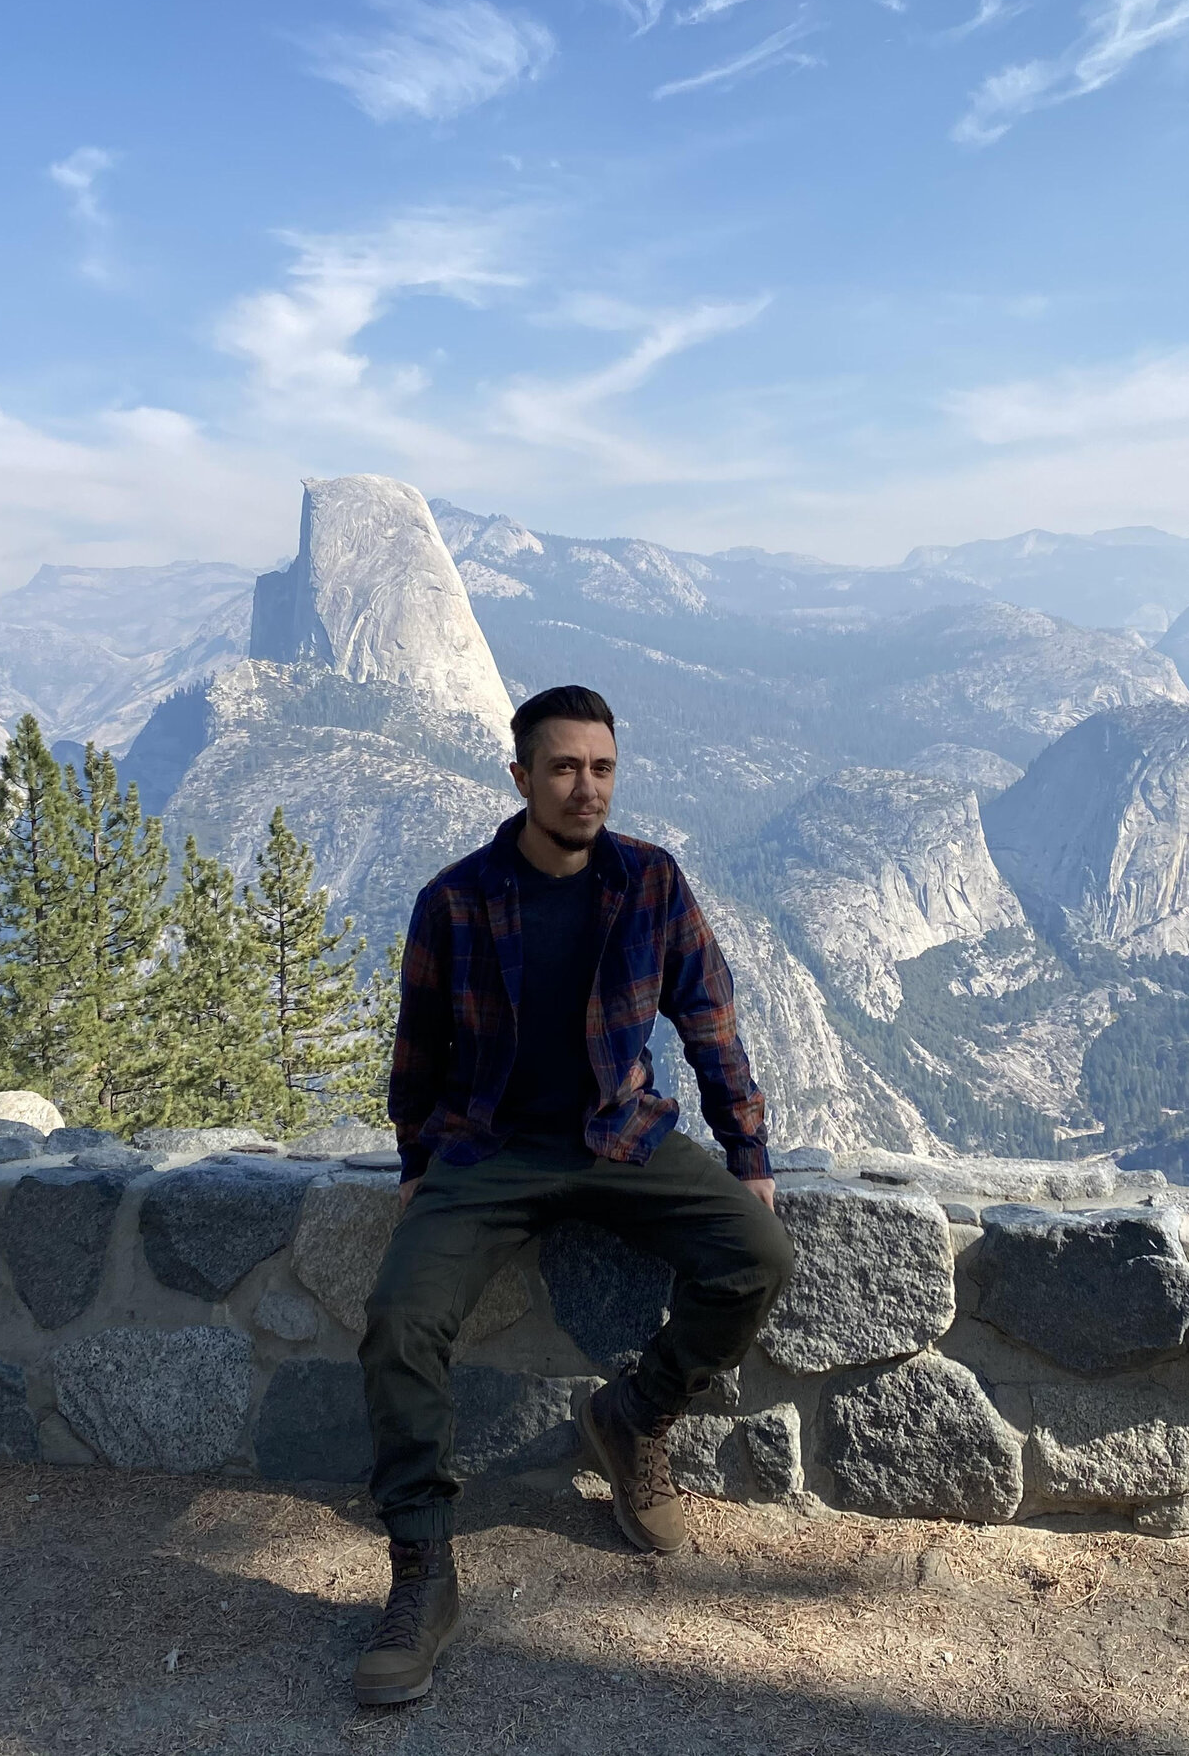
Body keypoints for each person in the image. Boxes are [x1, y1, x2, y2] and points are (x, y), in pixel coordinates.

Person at [351, 684, 794, 1707]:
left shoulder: (649, 882)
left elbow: (711, 1020)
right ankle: (421, 1570)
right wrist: (416, 1162)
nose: (585, 786)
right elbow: (417, 1049)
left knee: (758, 1257)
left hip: (620, 1137)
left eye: (601, 768)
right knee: (399, 1322)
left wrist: (749, 1152)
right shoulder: (455, 899)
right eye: (562, 767)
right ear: (521, 777)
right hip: (487, 1151)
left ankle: (635, 1415)